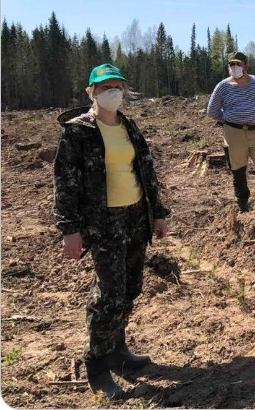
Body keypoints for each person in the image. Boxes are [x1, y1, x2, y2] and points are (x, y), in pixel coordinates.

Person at [54, 64, 170, 399]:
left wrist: (157, 214)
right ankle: (97, 366)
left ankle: (119, 352)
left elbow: (145, 170)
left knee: (131, 286)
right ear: (91, 92)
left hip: (135, 217)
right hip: (102, 224)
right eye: (105, 87)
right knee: (108, 294)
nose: (113, 91)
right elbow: (65, 182)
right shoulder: (78, 131)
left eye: (117, 85)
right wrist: (70, 229)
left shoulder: (128, 125)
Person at [207, 51, 255, 213]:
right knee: (238, 170)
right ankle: (243, 205)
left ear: (246, 65)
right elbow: (212, 111)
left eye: (238, 64)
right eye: (231, 64)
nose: (234, 67)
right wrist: (227, 120)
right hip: (233, 133)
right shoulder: (223, 86)